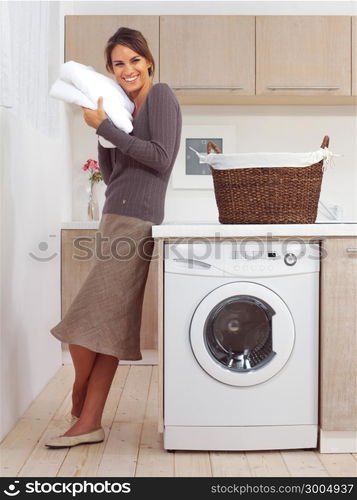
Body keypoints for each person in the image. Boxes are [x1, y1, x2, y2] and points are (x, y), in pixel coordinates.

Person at [45, 27, 182, 448]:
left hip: (136, 222)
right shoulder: (124, 108)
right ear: (110, 70)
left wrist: (110, 126)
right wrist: (102, 130)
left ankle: (80, 391)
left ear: (149, 61)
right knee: (106, 328)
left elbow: (160, 158)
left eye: (134, 60)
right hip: (114, 218)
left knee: (86, 319)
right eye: (118, 64)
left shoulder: (161, 98)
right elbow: (112, 173)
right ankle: (90, 420)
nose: (127, 70)